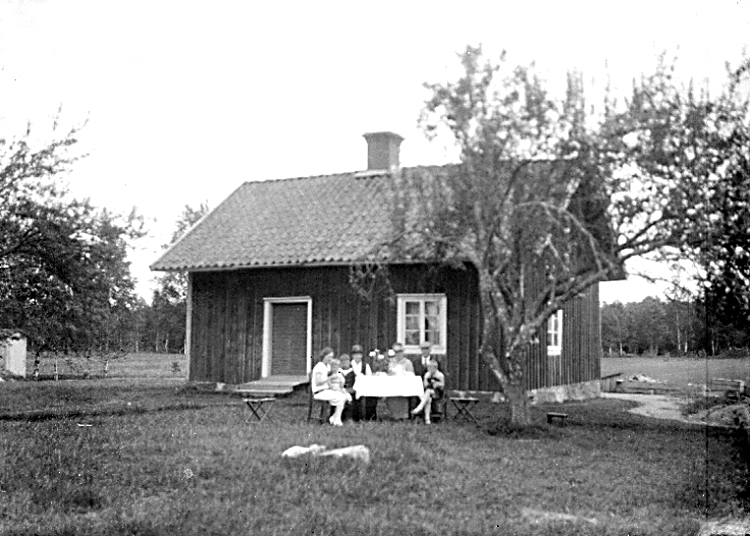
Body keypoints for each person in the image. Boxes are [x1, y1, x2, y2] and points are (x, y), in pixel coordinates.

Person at [311, 347, 351, 426]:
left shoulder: (328, 367)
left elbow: (337, 372)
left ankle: (335, 418)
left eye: (331, 357)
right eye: (329, 357)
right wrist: (330, 378)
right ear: (324, 356)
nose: (330, 359)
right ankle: (336, 419)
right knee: (341, 397)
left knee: (344, 396)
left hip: (326, 390)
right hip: (319, 392)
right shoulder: (319, 367)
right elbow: (318, 382)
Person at [411, 359, 445, 424]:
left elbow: (442, 385)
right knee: (428, 399)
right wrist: (427, 380)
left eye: (431, 368)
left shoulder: (440, 375)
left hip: (437, 392)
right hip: (428, 392)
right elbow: (425, 385)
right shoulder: (427, 374)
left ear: (435, 368)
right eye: (428, 368)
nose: (430, 369)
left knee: (428, 392)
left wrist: (436, 384)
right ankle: (427, 419)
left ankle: (419, 407)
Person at [350, 344, 376, 421]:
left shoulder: (365, 365)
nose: (358, 356)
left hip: (364, 387)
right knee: (355, 397)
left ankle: (370, 417)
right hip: (351, 387)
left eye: (359, 354)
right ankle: (356, 417)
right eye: (356, 354)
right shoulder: (349, 365)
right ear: (352, 355)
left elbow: (369, 378)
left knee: (372, 396)